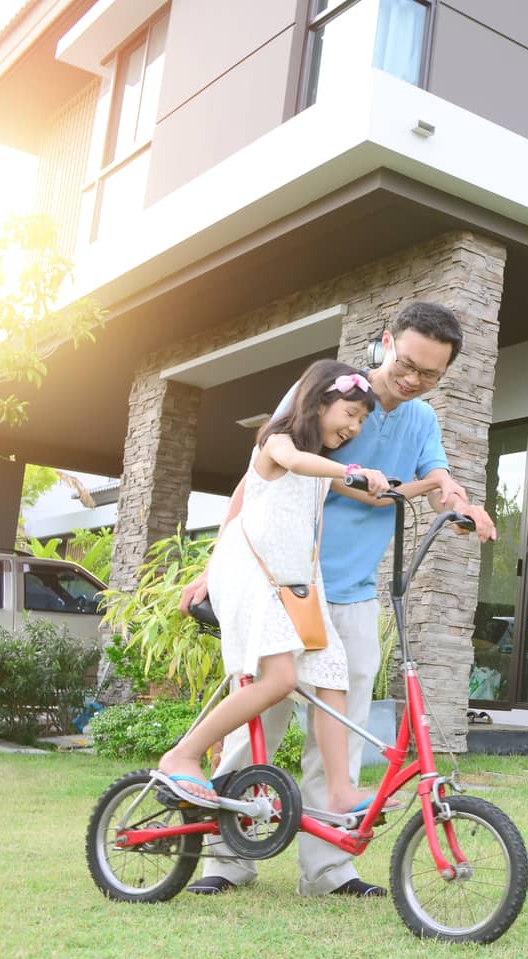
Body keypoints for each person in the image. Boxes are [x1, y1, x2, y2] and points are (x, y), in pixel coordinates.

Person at [179, 300, 497, 899]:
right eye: (407, 364)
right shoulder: (326, 391)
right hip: (279, 585)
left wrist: (462, 504)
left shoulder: (421, 421)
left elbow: (434, 485)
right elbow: (257, 474)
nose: (413, 380)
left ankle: (328, 869)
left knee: (341, 731)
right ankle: (226, 857)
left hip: (347, 596)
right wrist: (216, 567)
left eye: (430, 374)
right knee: (257, 724)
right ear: (386, 342)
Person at [156, 360, 390, 816]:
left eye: (363, 420)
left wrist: (439, 490)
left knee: (332, 675)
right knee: (281, 679)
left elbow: (372, 494)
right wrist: (351, 472)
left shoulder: (323, 472)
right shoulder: (277, 441)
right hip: (251, 575)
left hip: (295, 584)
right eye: (350, 413)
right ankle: (182, 754)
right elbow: (297, 461)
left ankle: (340, 790)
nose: (355, 427)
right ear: (320, 401)